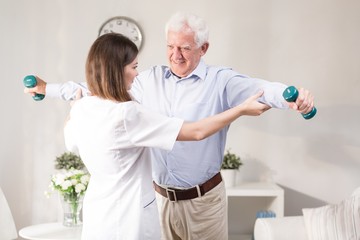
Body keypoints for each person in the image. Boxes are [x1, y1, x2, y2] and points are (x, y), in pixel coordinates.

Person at [25, 12, 315, 240]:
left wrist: (294, 98)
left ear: (203, 48)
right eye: (170, 46)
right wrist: (48, 89)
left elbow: (261, 89)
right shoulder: (146, 81)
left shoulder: (221, 81)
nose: (175, 54)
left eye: (185, 48)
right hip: (158, 200)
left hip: (203, 203)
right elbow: (99, 90)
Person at [64, 32, 270, 240]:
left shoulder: (82, 109)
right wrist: (241, 109)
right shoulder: (127, 114)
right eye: (134, 67)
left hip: (98, 217)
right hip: (129, 220)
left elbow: (71, 142)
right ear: (116, 71)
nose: (137, 75)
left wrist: (73, 106)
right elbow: (196, 131)